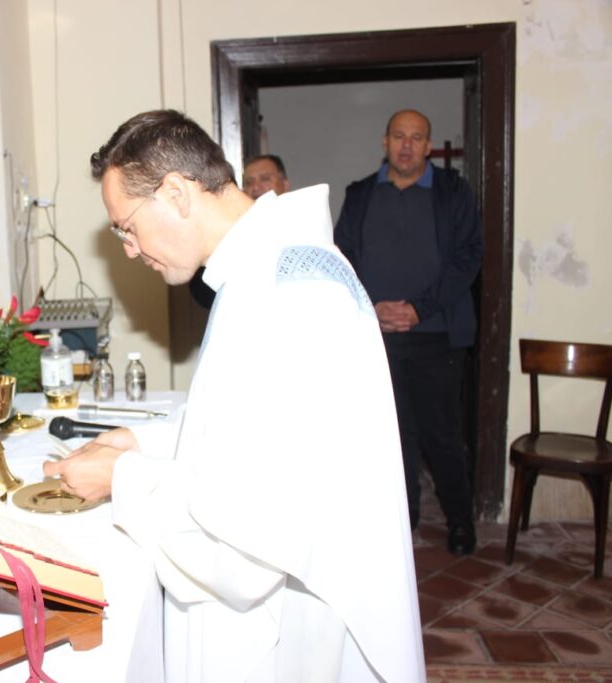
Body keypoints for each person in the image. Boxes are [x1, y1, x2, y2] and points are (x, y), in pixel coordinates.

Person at [45, 110, 424, 682]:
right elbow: (255, 431)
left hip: (294, 624)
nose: (129, 249)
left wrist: (123, 479)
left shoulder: (290, 290)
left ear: (176, 193)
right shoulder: (262, 269)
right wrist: (146, 442)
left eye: (126, 227)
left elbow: (251, 534)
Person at [334, 109, 482, 556]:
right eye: (399, 136)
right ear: (385, 142)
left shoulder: (453, 192)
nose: (406, 145)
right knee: (391, 435)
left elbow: (468, 257)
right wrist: (370, 307)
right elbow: (341, 257)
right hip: (376, 335)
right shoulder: (360, 194)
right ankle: (404, 521)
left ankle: (460, 522)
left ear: (428, 147)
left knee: (442, 434)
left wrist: (419, 309)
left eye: (417, 138)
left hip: (437, 334)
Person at [189, 153, 291, 308]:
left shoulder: (302, 225)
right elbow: (202, 291)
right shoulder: (229, 230)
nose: (256, 187)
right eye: (249, 182)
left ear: (285, 184)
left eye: (265, 179)